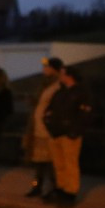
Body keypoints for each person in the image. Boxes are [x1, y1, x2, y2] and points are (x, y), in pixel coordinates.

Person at [42, 65, 92, 208]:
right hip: (56, 133)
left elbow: (85, 115)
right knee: (59, 164)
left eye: (63, 74)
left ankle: (70, 192)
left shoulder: (80, 93)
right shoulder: (60, 93)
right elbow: (49, 111)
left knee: (70, 163)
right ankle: (61, 188)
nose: (60, 76)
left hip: (70, 134)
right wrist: (49, 124)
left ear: (70, 76)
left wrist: (74, 131)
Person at [23, 57, 62, 197]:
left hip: (48, 130)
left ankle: (53, 188)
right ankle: (36, 186)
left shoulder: (58, 86)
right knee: (38, 161)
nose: (44, 70)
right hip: (37, 128)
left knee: (50, 162)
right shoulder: (44, 85)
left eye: (47, 67)